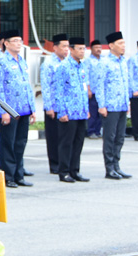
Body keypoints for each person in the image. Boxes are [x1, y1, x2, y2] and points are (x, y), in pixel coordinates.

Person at [0, 29, 35, 188]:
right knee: (8, 143)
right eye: (15, 41)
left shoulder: (21, 61)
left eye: (20, 40)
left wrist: (33, 108)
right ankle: (7, 176)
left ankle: (19, 174)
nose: (19, 43)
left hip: (24, 108)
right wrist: (3, 111)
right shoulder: (0, 61)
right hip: (10, 110)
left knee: (20, 143)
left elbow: (27, 86)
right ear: (6, 43)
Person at [55, 37, 90, 183]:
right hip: (68, 111)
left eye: (84, 48)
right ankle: (64, 172)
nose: (82, 51)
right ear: (71, 49)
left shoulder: (82, 66)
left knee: (78, 142)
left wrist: (86, 109)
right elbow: (59, 90)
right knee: (66, 143)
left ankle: (75, 170)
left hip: (80, 111)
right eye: (80, 49)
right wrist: (62, 112)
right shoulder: (63, 66)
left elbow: (84, 89)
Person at [98, 31, 132, 180]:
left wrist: (127, 101)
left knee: (120, 138)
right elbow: (99, 85)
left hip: (122, 105)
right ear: (111, 46)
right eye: (120, 43)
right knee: (110, 137)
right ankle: (109, 168)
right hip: (110, 106)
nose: (123, 46)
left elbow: (126, 83)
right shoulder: (104, 62)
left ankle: (117, 165)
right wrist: (102, 105)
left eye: (124, 43)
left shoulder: (123, 61)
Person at [40, 33, 69, 175]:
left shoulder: (68, 63)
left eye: (68, 46)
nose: (66, 49)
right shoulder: (48, 64)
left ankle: (65, 163)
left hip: (66, 106)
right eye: (63, 46)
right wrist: (48, 106)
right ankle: (55, 164)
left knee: (65, 137)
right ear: (55, 47)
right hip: (54, 106)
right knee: (53, 137)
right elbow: (45, 86)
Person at [84, 40, 103, 139]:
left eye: (100, 47)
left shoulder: (103, 60)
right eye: (96, 47)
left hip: (102, 91)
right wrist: (88, 89)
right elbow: (85, 76)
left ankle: (98, 130)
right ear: (91, 49)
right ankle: (91, 131)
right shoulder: (88, 61)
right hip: (93, 90)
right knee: (92, 112)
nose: (98, 49)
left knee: (100, 112)